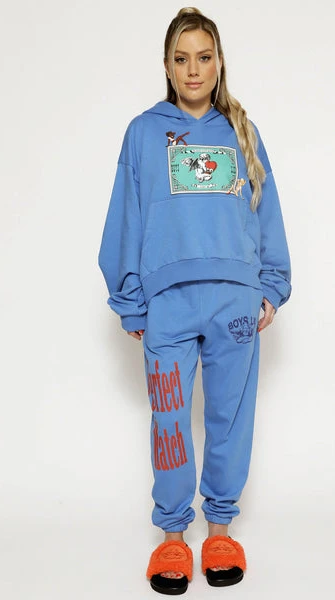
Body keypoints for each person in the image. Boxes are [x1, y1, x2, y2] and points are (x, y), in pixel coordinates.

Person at [98, 7, 291, 595]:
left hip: (234, 300)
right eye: (181, 59)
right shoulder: (143, 133)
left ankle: (221, 531)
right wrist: (130, 298)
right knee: (170, 420)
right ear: (166, 65)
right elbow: (126, 215)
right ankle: (173, 537)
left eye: (204, 57)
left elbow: (266, 213)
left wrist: (272, 285)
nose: (193, 70)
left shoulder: (242, 131)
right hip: (168, 304)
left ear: (219, 62)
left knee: (230, 416)